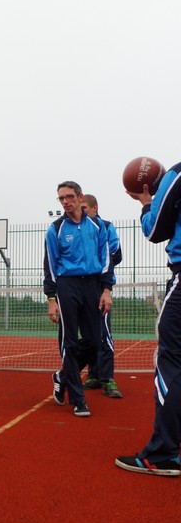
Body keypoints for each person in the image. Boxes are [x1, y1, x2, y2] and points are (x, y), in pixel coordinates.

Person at [115, 168, 181, 476]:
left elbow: (154, 231)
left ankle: (162, 453)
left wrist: (145, 203)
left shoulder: (176, 174)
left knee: (172, 361)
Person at [43, 180, 113, 417]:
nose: (65, 202)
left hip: (92, 285)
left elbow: (106, 258)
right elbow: (50, 265)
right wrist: (51, 299)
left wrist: (106, 289)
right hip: (67, 286)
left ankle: (62, 376)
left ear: (80, 197)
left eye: (69, 197)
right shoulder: (55, 229)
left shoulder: (97, 225)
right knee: (70, 344)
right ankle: (78, 399)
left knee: (95, 342)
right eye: (61, 198)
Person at [81, 194, 123, 398]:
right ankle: (94, 375)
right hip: (82, 288)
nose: (82, 211)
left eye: (84, 207)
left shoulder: (106, 226)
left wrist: (95, 264)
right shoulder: (76, 229)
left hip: (100, 288)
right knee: (89, 335)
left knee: (104, 334)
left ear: (94, 208)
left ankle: (108, 379)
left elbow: (117, 254)